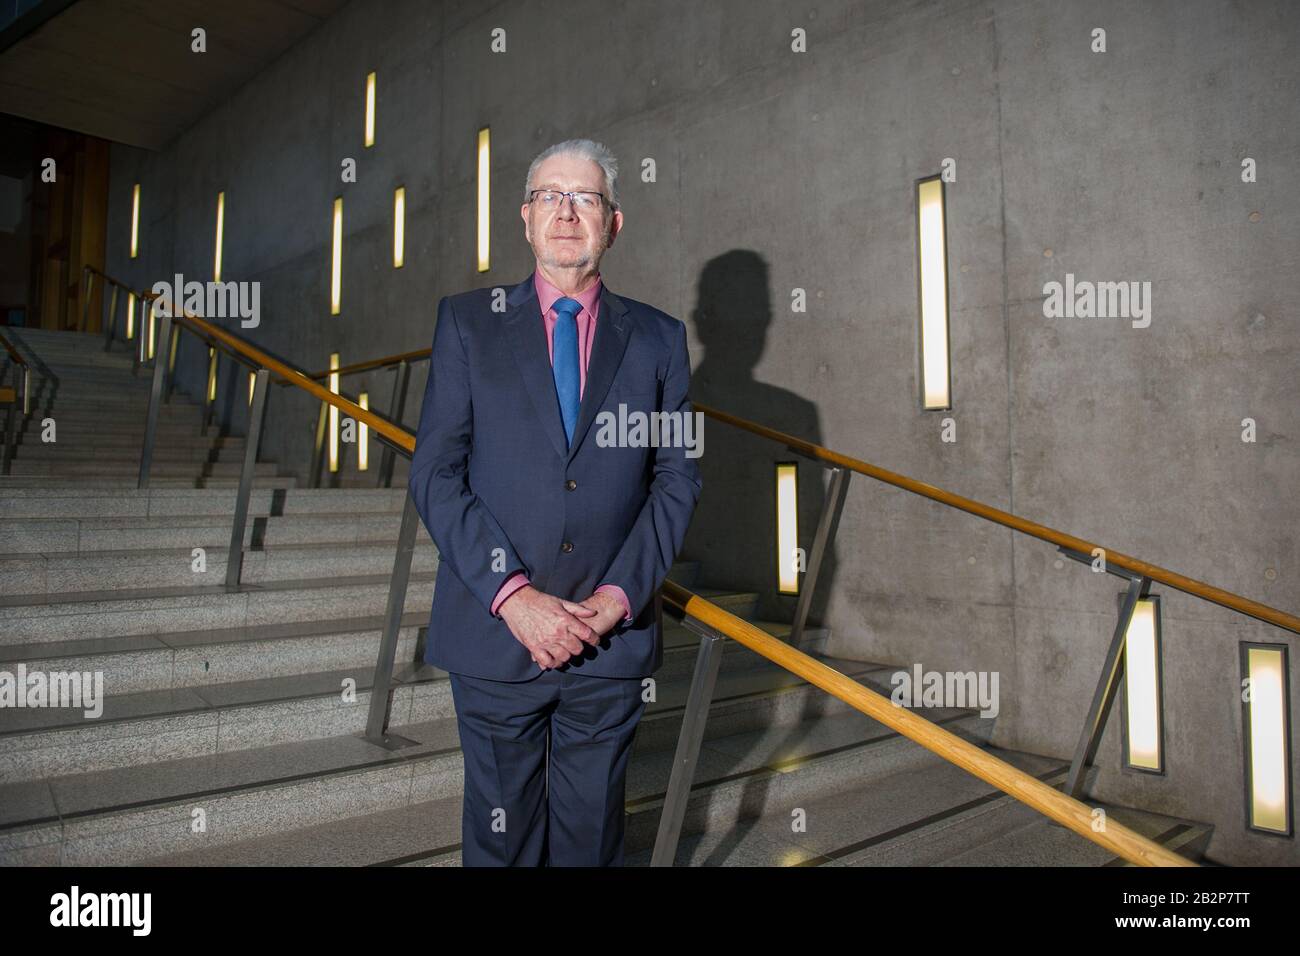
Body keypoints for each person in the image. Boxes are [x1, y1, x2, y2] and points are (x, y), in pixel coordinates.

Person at [409, 138, 702, 866]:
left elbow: (677, 477)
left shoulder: (661, 340)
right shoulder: (467, 323)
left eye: (586, 199)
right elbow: (436, 474)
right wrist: (512, 596)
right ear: (525, 217)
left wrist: (614, 599)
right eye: (550, 196)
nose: (567, 212)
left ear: (614, 222)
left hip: (608, 641)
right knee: (502, 840)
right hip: (495, 633)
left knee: (589, 841)